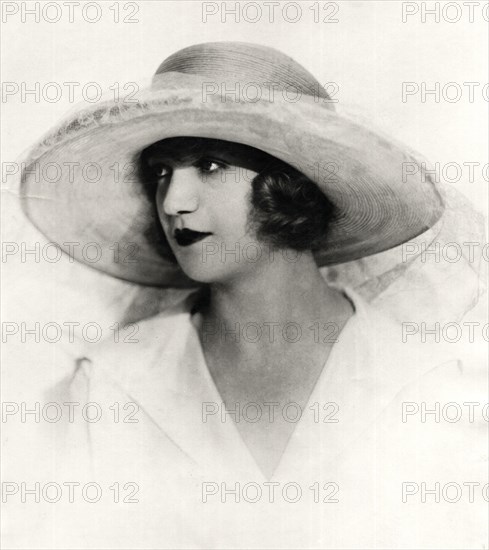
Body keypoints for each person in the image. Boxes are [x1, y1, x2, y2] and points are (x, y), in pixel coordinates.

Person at [15, 42, 486, 549]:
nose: (174, 201)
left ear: (291, 184)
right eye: (162, 173)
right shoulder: (110, 387)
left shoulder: (426, 383)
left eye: (211, 165)